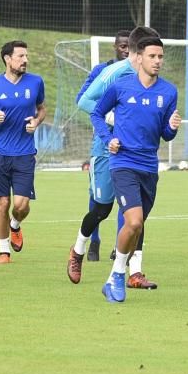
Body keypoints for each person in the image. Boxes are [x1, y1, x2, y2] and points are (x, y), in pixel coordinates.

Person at [90, 34, 180, 303]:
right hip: (123, 163)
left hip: (149, 167)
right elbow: (96, 113)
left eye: (161, 56)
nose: (157, 61)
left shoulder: (169, 92)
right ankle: (119, 275)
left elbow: (166, 134)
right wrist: (109, 139)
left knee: (136, 228)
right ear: (138, 58)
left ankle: (112, 279)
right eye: (152, 56)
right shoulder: (120, 86)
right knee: (134, 221)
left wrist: (172, 128)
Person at [68, 27, 156, 284]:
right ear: (136, 53)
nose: (156, 60)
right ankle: (78, 250)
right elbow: (84, 101)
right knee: (102, 208)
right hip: (107, 150)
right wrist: (114, 118)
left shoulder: (151, 81)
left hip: (136, 154)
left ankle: (135, 271)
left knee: (136, 214)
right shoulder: (114, 74)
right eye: (150, 54)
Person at [0, 40, 46, 264]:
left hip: (24, 153)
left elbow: (42, 109)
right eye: (20, 56)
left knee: (21, 205)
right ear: (7, 59)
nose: (25, 60)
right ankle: (4, 251)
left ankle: (15, 224)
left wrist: (36, 121)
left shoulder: (36, 82)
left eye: (26, 56)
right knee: (3, 203)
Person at [75, 30, 131, 261]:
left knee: (126, 197)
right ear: (115, 47)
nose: (126, 50)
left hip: (129, 144)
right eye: (122, 46)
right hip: (104, 141)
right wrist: (109, 117)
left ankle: (120, 246)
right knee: (98, 199)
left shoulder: (140, 74)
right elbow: (84, 98)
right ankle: (93, 240)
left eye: (130, 46)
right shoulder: (103, 72)